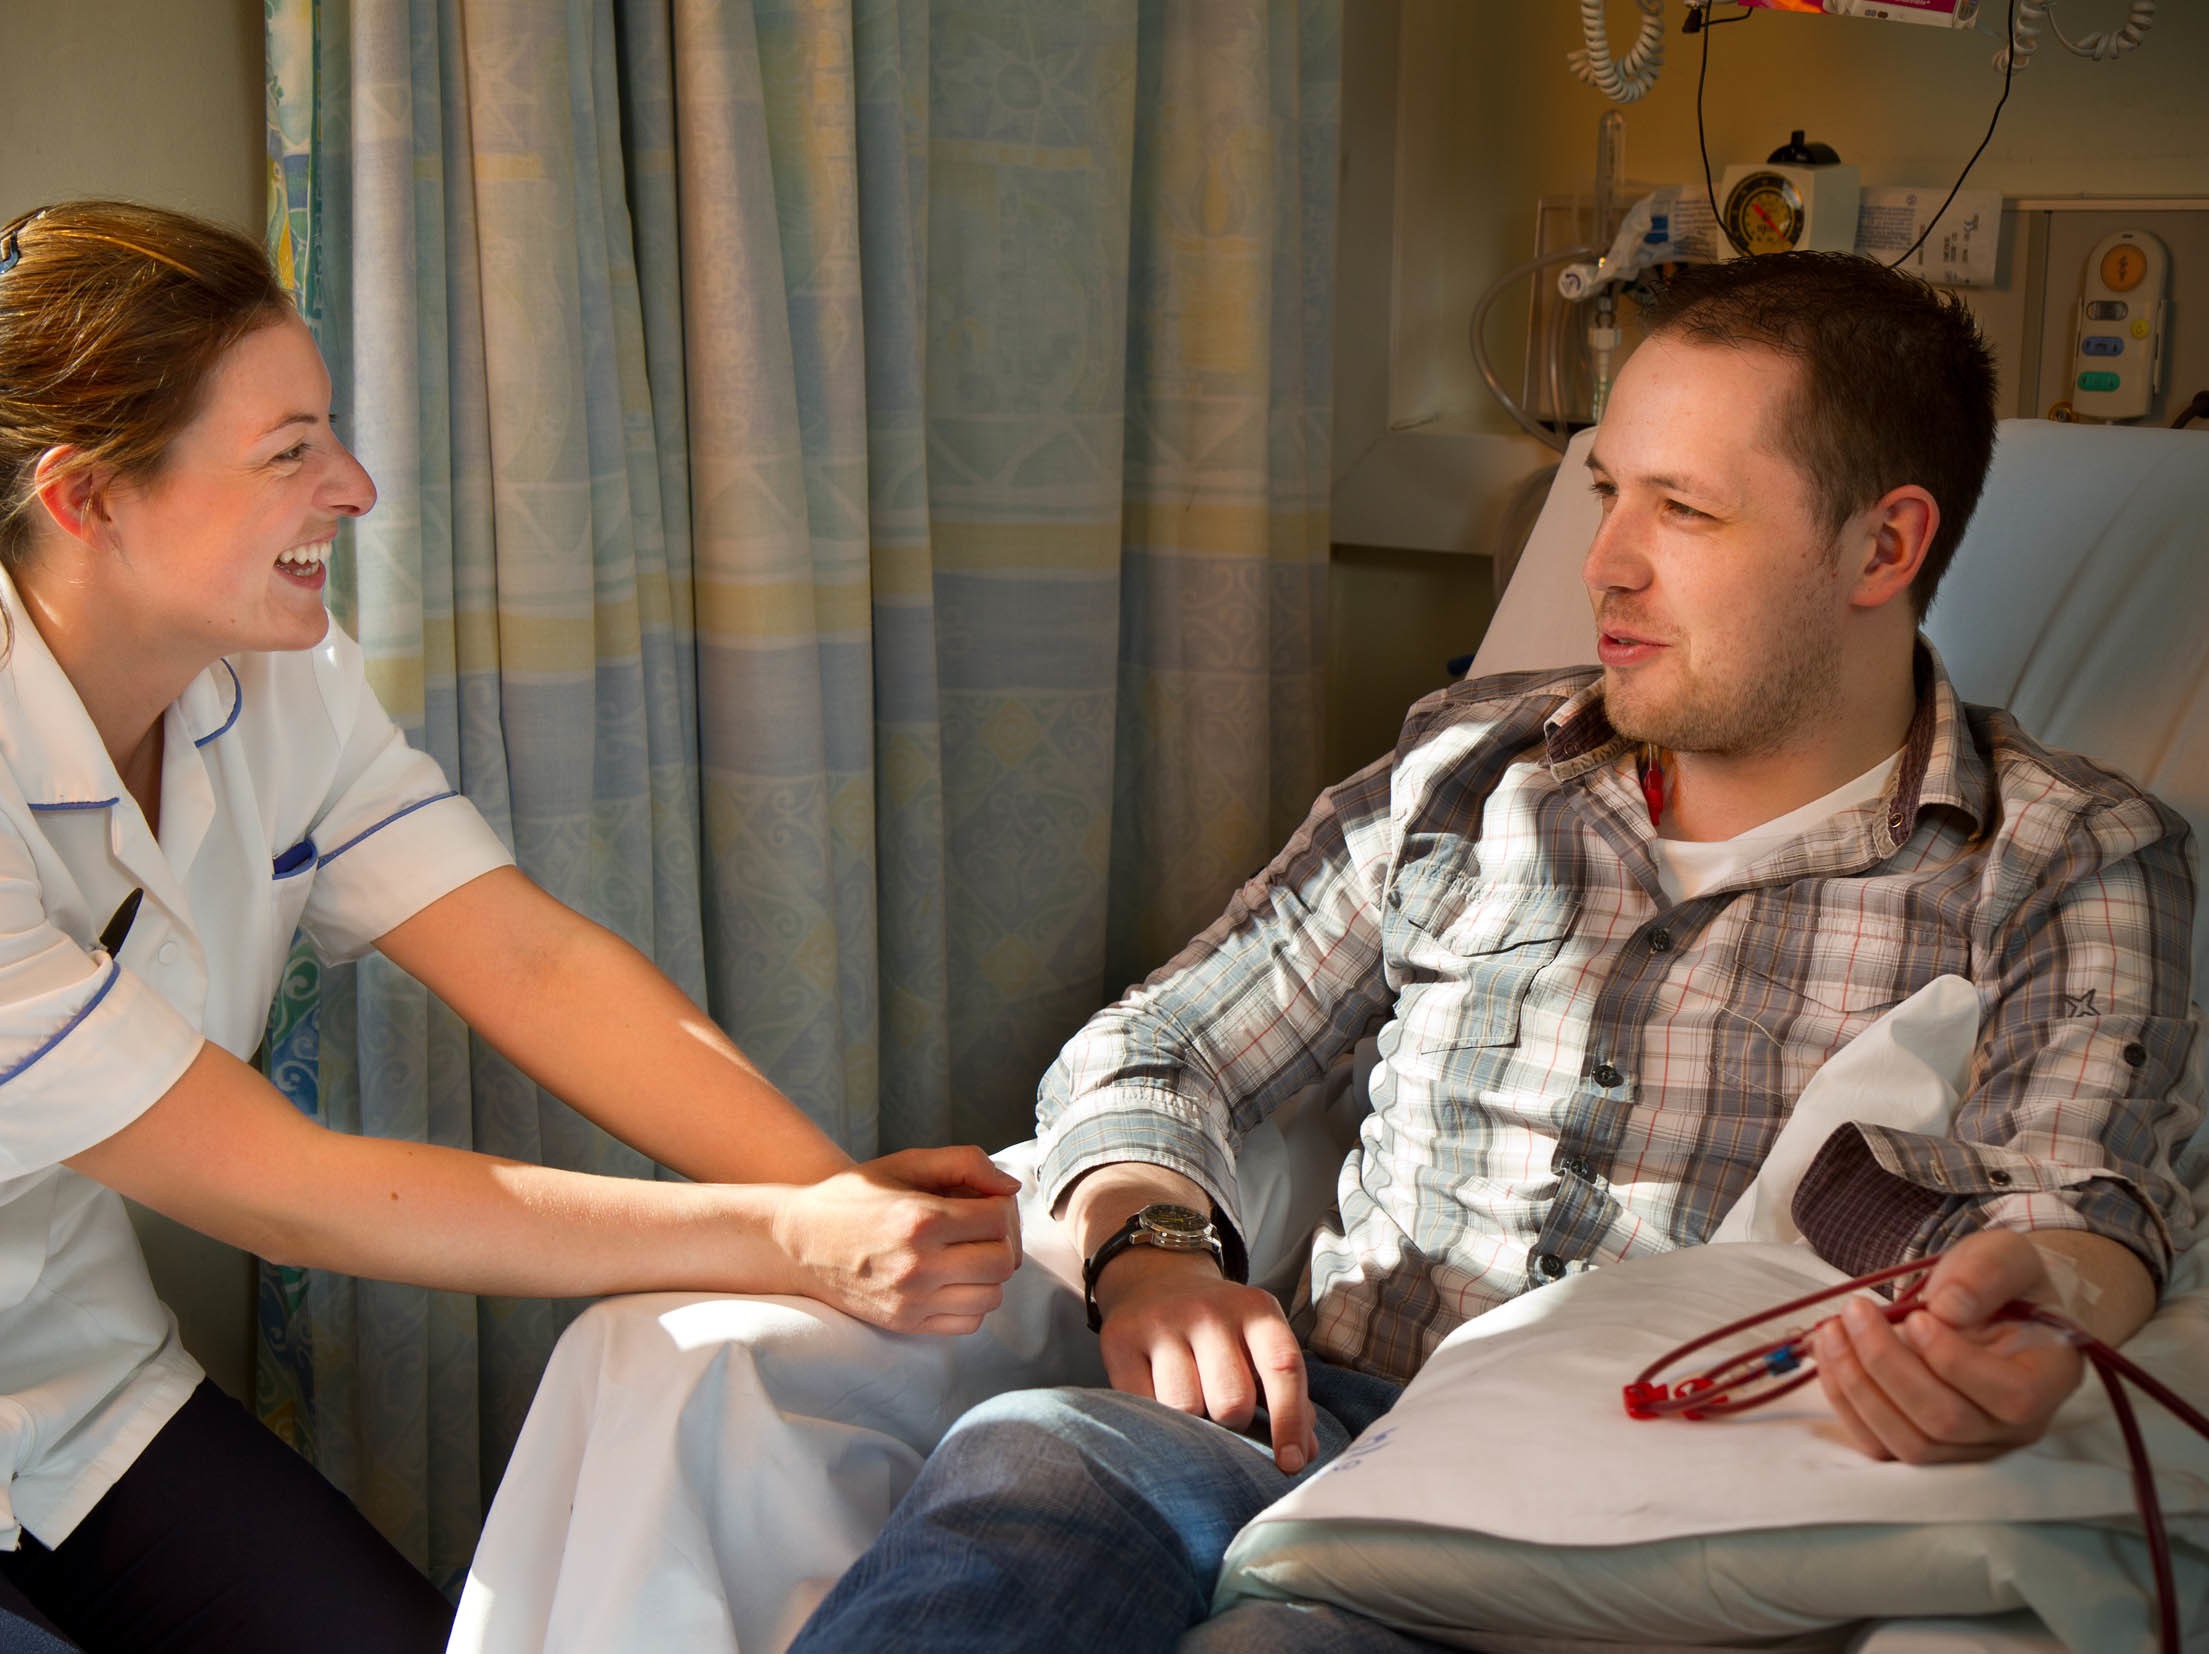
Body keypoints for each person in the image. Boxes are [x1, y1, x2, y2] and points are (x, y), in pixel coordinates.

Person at [787, 252, 2201, 1652]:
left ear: (1880, 548)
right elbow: (1164, 1039)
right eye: (1606, 492)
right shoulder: (1472, 769)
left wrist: (2037, 1323)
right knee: (1028, 1458)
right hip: (1312, 1426)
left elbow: (2075, 1194)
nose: (1604, 565)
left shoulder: (2059, 857)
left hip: (1633, 1518)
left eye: (1683, 510)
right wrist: (1152, 1249)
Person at [0, 201, 1020, 1653]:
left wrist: (845, 1208)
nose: (352, 486)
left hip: (71, 1378)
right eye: (289, 451)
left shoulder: (268, 673)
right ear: (85, 497)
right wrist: (787, 1242)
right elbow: (286, 1189)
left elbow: (528, 960)